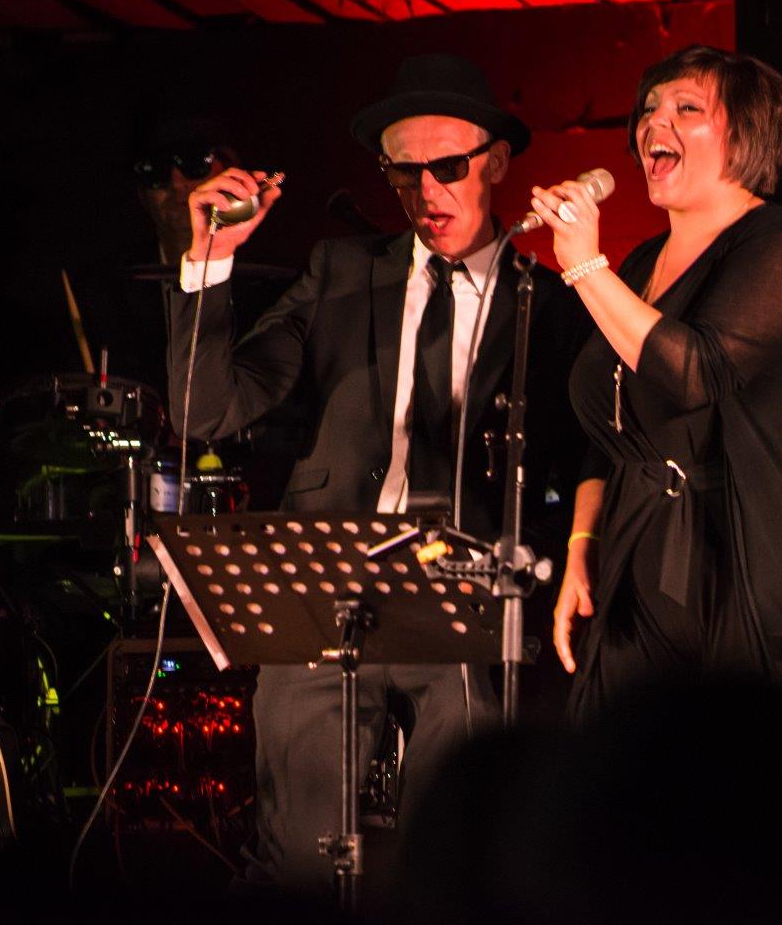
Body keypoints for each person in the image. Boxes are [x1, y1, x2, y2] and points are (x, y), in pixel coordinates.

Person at [165, 53, 586, 893]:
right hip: (330, 578)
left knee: (452, 853)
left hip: (465, 590)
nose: (426, 191)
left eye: (448, 167)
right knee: (298, 856)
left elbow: (586, 455)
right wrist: (208, 260)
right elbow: (206, 413)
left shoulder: (546, 300)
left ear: (498, 163)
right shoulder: (341, 272)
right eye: (403, 172)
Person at [531, 45, 782, 746]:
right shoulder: (637, 266)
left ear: (747, 135)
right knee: (620, 796)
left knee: (762, 803)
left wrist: (585, 266)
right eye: (649, 109)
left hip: (761, 573)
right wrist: (583, 543)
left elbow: (694, 373)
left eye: (687, 107)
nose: (654, 122)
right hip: (641, 570)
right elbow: (606, 429)